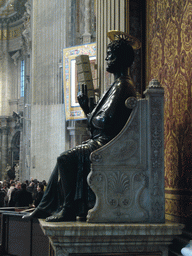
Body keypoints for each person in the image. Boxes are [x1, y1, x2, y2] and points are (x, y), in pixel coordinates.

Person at [23, 31, 141, 222]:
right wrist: (89, 110)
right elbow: (100, 121)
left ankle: (68, 209)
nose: (106, 58)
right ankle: (45, 207)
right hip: (103, 140)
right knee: (63, 159)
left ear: (122, 58)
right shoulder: (115, 86)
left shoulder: (123, 86)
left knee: (65, 158)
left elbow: (105, 122)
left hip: (109, 144)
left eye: (110, 54)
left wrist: (91, 113)